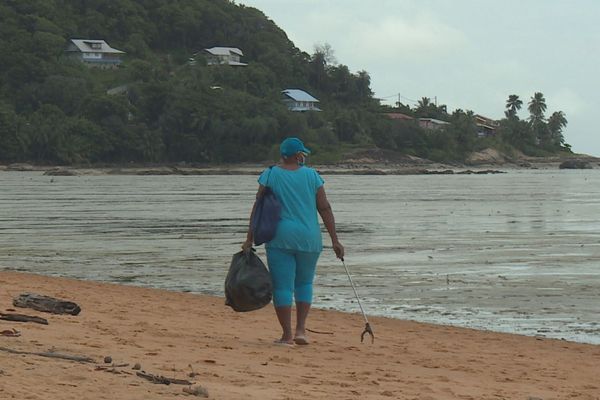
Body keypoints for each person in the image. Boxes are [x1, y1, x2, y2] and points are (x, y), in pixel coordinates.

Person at [242, 137, 344, 346]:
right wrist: (335, 239)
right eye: (302, 154)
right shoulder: (313, 176)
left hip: (280, 237)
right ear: (298, 155)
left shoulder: (270, 174)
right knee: (304, 283)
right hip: (310, 238)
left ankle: (287, 335)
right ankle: (301, 331)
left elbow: (258, 207)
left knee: (282, 287)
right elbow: (324, 208)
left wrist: (249, 238)